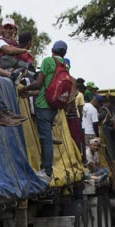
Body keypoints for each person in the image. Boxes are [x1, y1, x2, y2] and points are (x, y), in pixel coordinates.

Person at [20, 40, 70, 182]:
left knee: (45, 139)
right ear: (64, 53)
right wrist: (30, 94)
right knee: (46, 138)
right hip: (54, 106)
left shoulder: (48, 61)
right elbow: (47, 89)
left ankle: (46, 171)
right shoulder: (64, 65)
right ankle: (46, 169)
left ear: (53, 49)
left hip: (43, 105)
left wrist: (24, 89)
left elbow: (38, 83)